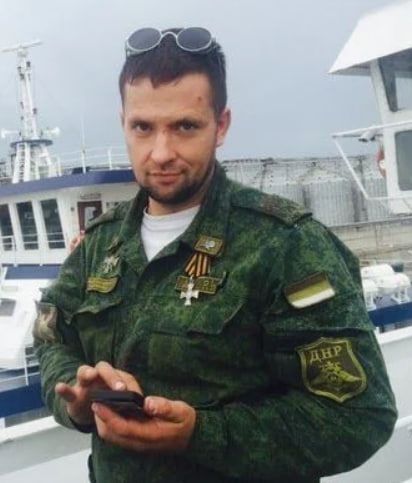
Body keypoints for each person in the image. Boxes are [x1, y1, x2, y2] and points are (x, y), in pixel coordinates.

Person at [34, 27, 397, 483]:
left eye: (185, 126)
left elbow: (358, 417)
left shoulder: (286, 245)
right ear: (123, 122)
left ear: (221, 126)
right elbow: (50, 337)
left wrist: (200, 434)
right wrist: (76, 399)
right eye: (143, 127)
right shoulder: (100, 244)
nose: (161, 153)